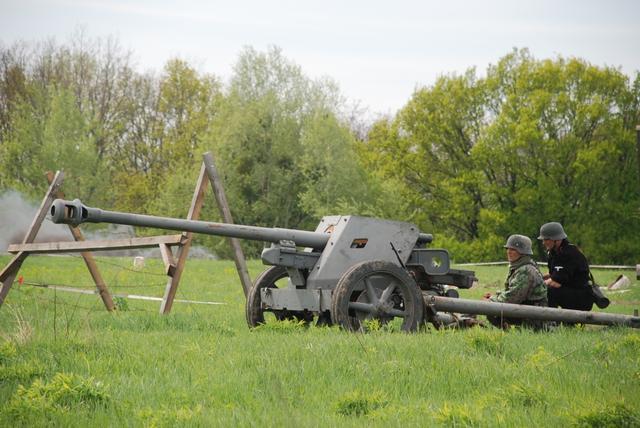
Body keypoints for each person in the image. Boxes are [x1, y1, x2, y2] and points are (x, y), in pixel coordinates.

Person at [484, 234, 548, 329]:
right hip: (527, 310)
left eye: (513, 249)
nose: (509, 252)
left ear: (523, 253)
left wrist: (490, 300)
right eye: (508, 249)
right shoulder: (520, 267)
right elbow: (511, 291)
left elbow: (512, 297)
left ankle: (511, 331)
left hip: (533, 316)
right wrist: (495, 295)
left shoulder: (526, 270)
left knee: (491, 310)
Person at [538, 222, 593, 311]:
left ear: (557, 239)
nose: (543, 243)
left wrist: (535, 285)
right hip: (572, 293)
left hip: (581, 298)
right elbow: (554, 274)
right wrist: (539, 277)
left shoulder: (568, 254)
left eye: (546, 239)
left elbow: (555, 282)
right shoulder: (556, 252)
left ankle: (549, 320)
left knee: (548, 291)